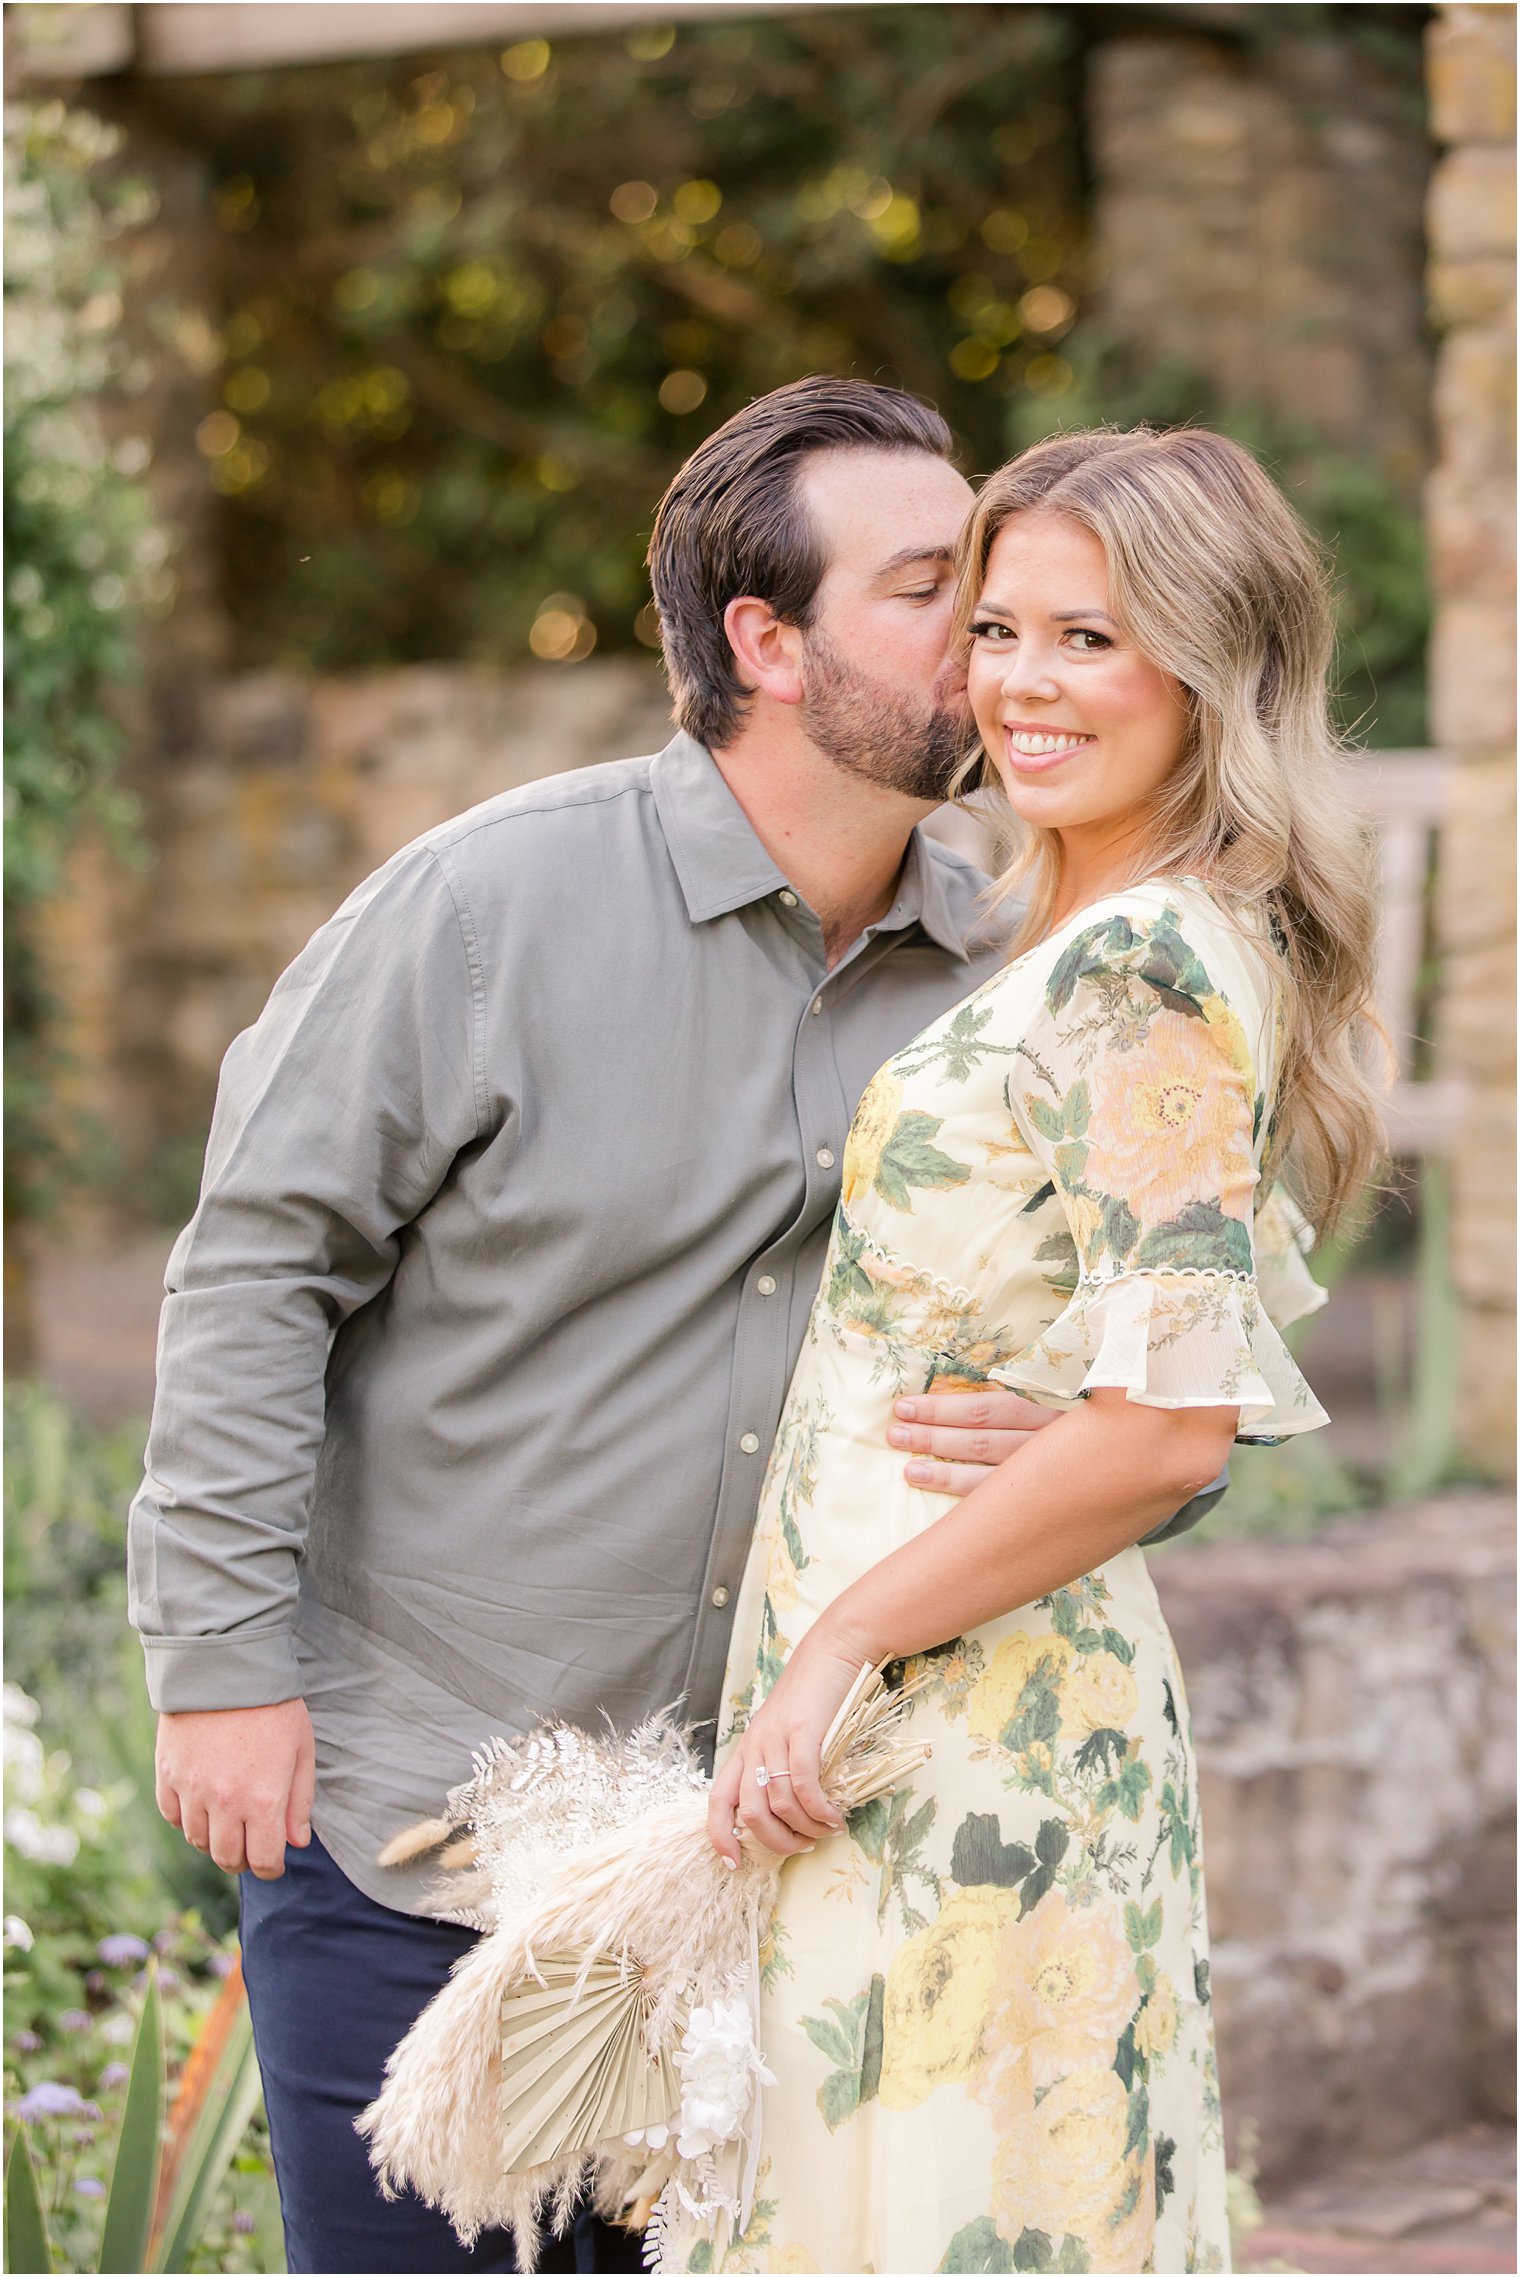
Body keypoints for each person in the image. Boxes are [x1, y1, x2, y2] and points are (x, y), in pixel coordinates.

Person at [128, 378, 1226, 2276]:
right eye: (932, 591)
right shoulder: (486, 907)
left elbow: (1158, 1367)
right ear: (765, 640)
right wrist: (218, 1654)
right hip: (424, 1829)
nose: (986, 640)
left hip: (781, 1869)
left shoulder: (1015, 970)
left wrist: (1101, 1451)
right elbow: (255, 1265)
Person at [678, 426, 1383, 2275]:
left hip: (962, 1714)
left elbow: (1167, 1429)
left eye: (1094, 637)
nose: (1026, 682)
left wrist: (837, 1641)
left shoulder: (1143, 960)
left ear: (1207, 669)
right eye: (1001, 628)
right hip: (920, 1690)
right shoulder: (1062, 923)